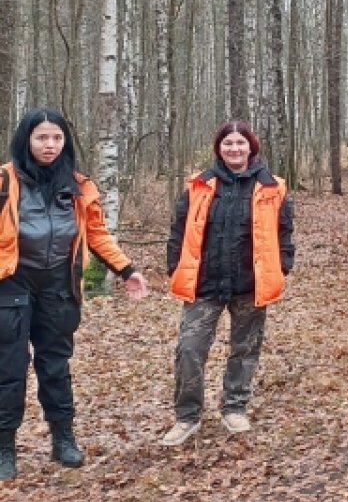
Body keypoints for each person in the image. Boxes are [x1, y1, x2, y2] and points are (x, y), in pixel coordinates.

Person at [0, 107, 149, 480]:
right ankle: (4, 447)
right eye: (41, 138)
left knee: (56, 366)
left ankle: (63, 438)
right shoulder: (4, 181)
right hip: (12, 285)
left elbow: (97, 235)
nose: (49, 145)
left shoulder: (79, 186)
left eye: (56, 138)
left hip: (58, 286)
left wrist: (126, 269)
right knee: (9, 369)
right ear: (26, 140)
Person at [160, 121, 294, 446]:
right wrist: (174, 265)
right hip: (203, 283)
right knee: (189, 350)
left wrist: (283, 265)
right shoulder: (199, 185)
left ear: (252, 147)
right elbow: (178, 230)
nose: (234, 149)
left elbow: (284, 232)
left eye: (240, 143)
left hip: (251, 284)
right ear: (219, 148)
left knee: (245, 350)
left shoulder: (272, 188)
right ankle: (187, 416)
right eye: (228, 143)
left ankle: (235, 407)